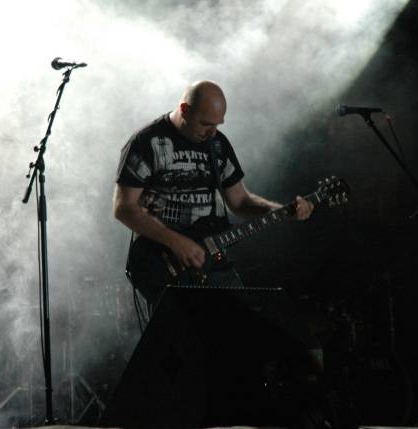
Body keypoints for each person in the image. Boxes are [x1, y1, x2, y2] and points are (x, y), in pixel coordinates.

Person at [113, 80, 314, 306]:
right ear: (184, 109)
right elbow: (124, 208)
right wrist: (176, 242)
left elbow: (240, 201)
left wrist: (279, 211)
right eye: (206, 124)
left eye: (217, 125)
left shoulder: (217, 144)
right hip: (164, 263)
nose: (212, 132)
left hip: (213, 259)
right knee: (184, 326)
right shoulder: (146, 142)